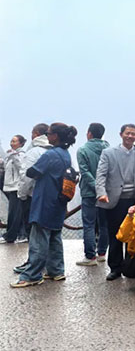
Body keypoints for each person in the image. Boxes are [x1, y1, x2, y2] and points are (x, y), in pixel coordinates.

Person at [11, 123, 77, 288]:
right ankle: (56, 270)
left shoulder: (50, 155)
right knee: (55, 236)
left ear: (55, 136)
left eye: (49, 133)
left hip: (45, 200)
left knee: (39, 239)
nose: (47, 136)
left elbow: (32, 172)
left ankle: (32, 275)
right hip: (59, 201)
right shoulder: (66, 154)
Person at [96, 123, 135, 281]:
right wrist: (101, 193)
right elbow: (101, 175)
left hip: (134, 200)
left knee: (134, 235)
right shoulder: (108, 153)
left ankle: (130, 267)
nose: (130, 136)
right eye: (127, 133)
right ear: (121, 134)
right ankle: (115, 268)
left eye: (133, 134)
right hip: (114, 200)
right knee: (115, 234)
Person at [10, 124, 51, 273]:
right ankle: (48, 264)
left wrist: (22, 194)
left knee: (33, 232)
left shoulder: (33, 152)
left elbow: (26, 176)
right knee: (48, 232)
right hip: (51, 198)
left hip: (33, 196)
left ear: (36, 134)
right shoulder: (55, 151)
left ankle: (33, 264)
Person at [75, 123, 110, 266]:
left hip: (89, 192)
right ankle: (102, 253)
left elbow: (84, 172)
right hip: (106, 192)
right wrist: (101, 188)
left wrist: (95, 186)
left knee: (89, 224)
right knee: (104, 224)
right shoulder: (109, 149)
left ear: (89, 133)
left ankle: (90, 257)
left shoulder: (82, 150)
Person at [0, 135, 26, 244]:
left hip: (16, 187)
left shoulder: (21, 155)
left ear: (21, 143)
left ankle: (10, 236)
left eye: (14, 141)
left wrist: (14, 157)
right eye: (11, 141)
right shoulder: (11, 155)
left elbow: (22, 168)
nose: (12, 143)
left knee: (14, 213)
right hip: (11, 187)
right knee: (15, 212)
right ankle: (20, 234)